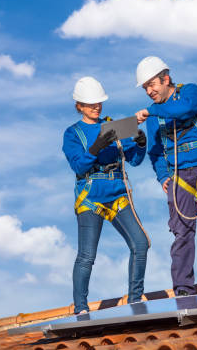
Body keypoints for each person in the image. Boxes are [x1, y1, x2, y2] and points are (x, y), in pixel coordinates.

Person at [134, 56, 197, 296]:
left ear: (166, 79)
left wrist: (151, 111)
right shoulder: (154, 116)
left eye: (153, 84)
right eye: (146, 87)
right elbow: (155, 151)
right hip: (178, 175)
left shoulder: (190, 92)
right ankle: (182, 288)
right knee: (181, 232)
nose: (149, 91)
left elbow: (183, 110)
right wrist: (162, 176)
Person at [63, 76, 149, 314]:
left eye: (98, 102)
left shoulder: (114, 125)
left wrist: (140, 143)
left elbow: (134, 160)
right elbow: (79, 166)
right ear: (79, 105)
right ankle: (81, 309)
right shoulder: (72, 134)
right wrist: (96, 147)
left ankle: (135, 300)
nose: (96, 107)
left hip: (118, 192)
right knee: (87, 255)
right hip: (90, 196)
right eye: (91, 104)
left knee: (140, 244)